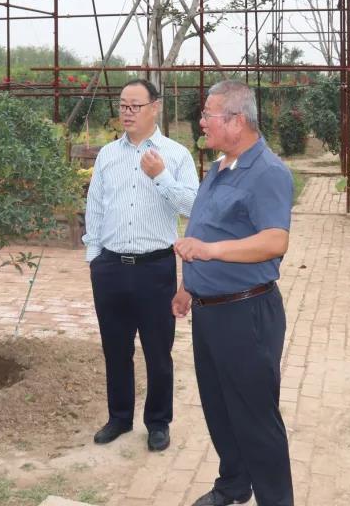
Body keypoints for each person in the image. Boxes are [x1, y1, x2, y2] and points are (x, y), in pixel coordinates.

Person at [172, 80, 294, 506]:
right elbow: (203, 226)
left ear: (237, 121)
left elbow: (275, 240)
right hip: (209, 310)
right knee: (220, 407)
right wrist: (187, 285)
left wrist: (210, 251)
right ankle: (234, 485)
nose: (201, 121)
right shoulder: (221, 166)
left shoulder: (268, 173)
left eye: (209, 115)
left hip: (247, 313)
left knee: (256, 417)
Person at [83, 78, 198, 452]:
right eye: (122, 105)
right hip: (110, 267)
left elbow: (192, 207)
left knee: (158, 351)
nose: (127, 112)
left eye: (135, 106)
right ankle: (119, 417)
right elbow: (95, 208)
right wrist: (94, 258)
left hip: (155, 268)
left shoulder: (176, 155)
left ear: (155, 107)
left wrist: (160, 176)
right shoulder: (107, 155)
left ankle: (158, 422)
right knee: (115, 349)